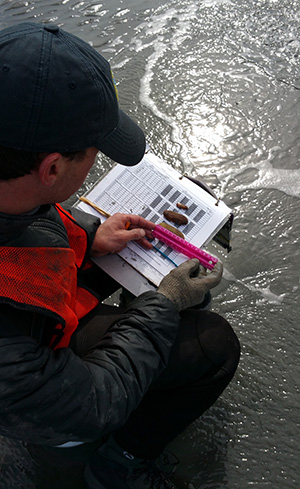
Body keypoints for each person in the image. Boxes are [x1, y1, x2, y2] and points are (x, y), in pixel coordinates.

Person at [0, 22, 240, 489]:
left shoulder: (15, 192)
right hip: (44, 393)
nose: (96, 161)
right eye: (94, 152)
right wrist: (165, 304)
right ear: (51, 166)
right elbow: (91, 405)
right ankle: (117, 465)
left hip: (38, 323)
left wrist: (89, 237)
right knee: (212, 345)